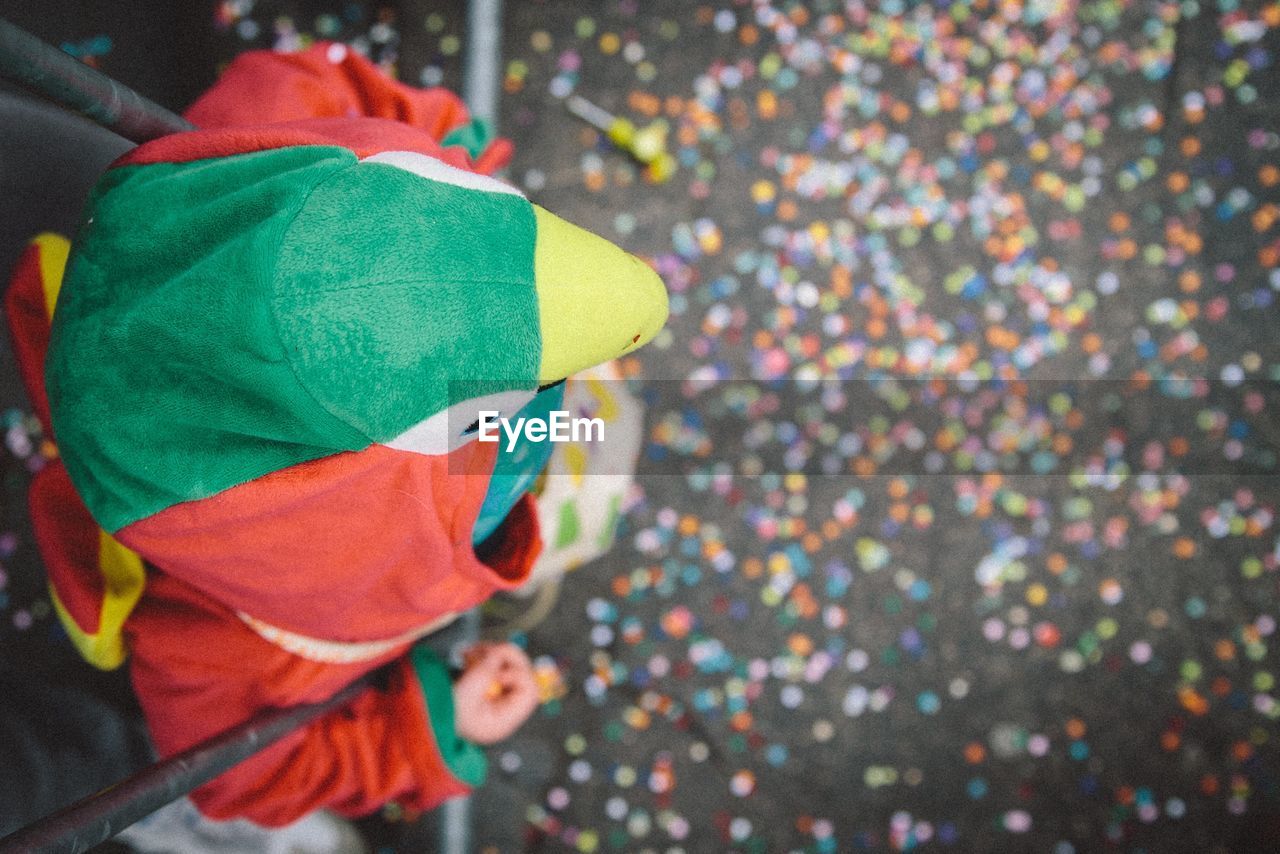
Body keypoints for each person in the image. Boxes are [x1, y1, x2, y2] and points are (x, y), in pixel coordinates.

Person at [10, 42, 667, 830]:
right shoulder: (275, 638)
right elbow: (245, 775)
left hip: (95, 215)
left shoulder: (289, 164)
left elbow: (311, 82)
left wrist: (447, 178)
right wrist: (426, 734)